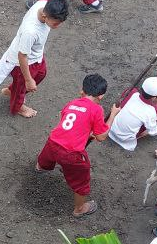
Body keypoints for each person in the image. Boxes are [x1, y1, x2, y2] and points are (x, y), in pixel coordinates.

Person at [36, 73, 110, 216]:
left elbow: (64, 118)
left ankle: (40, 168)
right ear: (101, 96)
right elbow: (101, 137)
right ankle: (79, 209)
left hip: (53, 142)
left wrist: (85, 132)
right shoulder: (97, 109)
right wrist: (113, 115)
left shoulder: (72, 103)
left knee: (45, 160)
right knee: (82, 181)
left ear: (82, 90)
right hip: (71, 153)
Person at [0, 0, 70, 118]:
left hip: (36, 55)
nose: (58, 26)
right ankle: (18, 107)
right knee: (21, 86)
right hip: (23, 62)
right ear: (44, 16)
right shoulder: (31, 32)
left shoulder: (43, 4)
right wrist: (28, 79)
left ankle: (11, 91)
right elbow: (22, 56)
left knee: (41, 74)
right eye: (56, 23)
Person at [106, 77, 157, 151]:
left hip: (111, 129)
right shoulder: (151, 111)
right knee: (147, 124)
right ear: (155, 97)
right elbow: (153, 132)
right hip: (125, 141)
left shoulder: (132, 92)